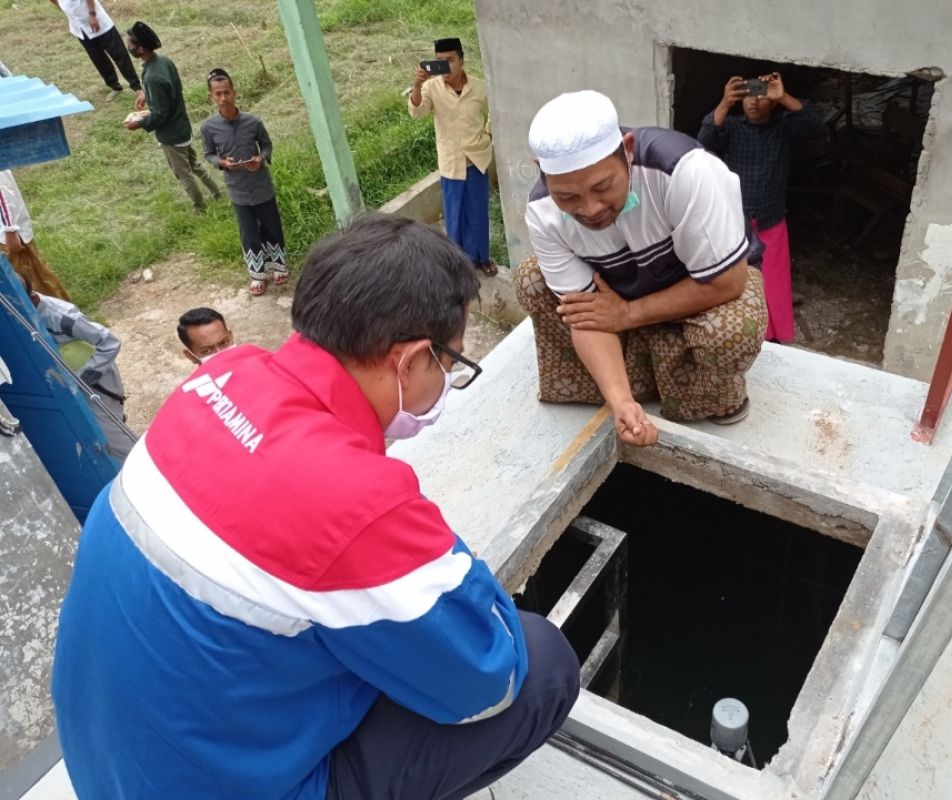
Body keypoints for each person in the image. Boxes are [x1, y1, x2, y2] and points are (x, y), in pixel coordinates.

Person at [51, 213, 580, 800]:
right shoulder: (358, 500)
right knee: (543, 664)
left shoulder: (222, 375)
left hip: (106, 765)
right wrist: (446, 565)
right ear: (408, 362)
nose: (447, 381)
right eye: (451, 363)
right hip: (224, 783)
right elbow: (490, 680)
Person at [516, 90, 768, 447]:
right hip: (621, 295)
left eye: (603, 187)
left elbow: (726, 281)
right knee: (531, 279)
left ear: (628, 149)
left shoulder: (684, 170)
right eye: (568, 197)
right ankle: (632, 386)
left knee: (732, 330)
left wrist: (629, 313)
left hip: (704, 292)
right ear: (542, 174)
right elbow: (585, 315)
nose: (589, 209)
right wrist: (621, 404)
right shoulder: (542, 211)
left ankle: (707, 396)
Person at [697, 72, 823, 344]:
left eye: (762, 96)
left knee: (774, 280)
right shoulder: (731, 127)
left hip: (771, 218)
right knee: (733, 276)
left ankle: (774, 334)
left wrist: (783, 96)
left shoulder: (784, 128)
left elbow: (815, 126)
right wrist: (724, 103)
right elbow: (702, 143)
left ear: (773, 102)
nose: (754, 102)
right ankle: (738, 330)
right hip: (734, 218)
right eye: (748, 95)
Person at [19, 273, 133, 462]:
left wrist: (82, 378)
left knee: (119, 442)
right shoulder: (27, 312)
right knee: (106, 427)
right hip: (78, 380)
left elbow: (110, 341)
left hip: (95, 380)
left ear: (31, 298)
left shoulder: (61, 316)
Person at [409, 37, 497, 276]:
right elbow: (417, 111)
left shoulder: (479, 86)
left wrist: (488, 134)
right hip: (451, 162)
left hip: (476, 160)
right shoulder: (431, 88)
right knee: (455, 216)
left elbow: (496, 110)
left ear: (461, 61)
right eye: (439, 61)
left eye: (449, 60)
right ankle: (458, 265)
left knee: (478, 213)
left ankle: (482, 258)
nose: (445, 66)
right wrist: (417, 85)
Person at [201, 68, 288, 295]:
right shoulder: (209, 128)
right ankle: (257, 275)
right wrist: (222, 162)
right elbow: (208, 154)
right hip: (237, 190)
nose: (223, 98)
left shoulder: (253, 122)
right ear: (211, 96)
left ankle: (278, 267)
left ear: (234, 93)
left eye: (227, 92)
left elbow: (267, 144)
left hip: (261, 186)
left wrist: (261, 158)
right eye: (218, 94)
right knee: (248, 232)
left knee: (271, 226)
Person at [122, 21, 222, 213]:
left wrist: (140, 123)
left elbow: (160, 113)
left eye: (130, 46)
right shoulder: (164, 62)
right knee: (194, 164)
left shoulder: (152, 76)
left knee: (183, 174)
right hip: (182, 127)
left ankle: (199, 208)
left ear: (140, 49)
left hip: (171, 136)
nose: (128, 49)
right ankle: (216, 192)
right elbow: (171, 90)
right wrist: (147, 94)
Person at [47, 0, 142, 101]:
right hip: (80, 28)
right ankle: (115, 86)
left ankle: (137, 87)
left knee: (119, 55)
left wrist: (92, 15)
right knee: (98, 59)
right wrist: (63, 8)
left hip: (98, 21)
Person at [1, 169, 72, 300]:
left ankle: (56, 315)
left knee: (28, 280)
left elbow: (3, 193)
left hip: (6, 238)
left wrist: (10, 230)